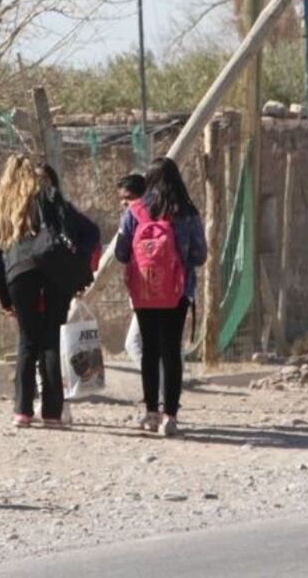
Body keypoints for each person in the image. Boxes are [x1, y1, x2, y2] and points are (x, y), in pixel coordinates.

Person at [115, 157, 206, 437]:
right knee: (171, 351)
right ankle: (170, 417)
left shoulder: (136, 211)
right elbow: (200, 255)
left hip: (144, 293)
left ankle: (151, 412)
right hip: (177, 293)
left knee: (149, 351)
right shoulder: (187, 212)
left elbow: (121, 253)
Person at [0, 155, 79, 427]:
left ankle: (22, 411)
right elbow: (69, 232)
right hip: (53, 271)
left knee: (27, 340)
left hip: (19, 273)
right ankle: (52, 412)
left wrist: (4, 297)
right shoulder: (48, 197)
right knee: (51, 338)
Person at [116, 174, 147, 364]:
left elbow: (121, 253)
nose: (123, 203)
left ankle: (159, 388)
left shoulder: (131, 215)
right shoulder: (165, 211)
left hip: (143, 286)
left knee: (133, 344)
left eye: (127, 198)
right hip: (169, 288)